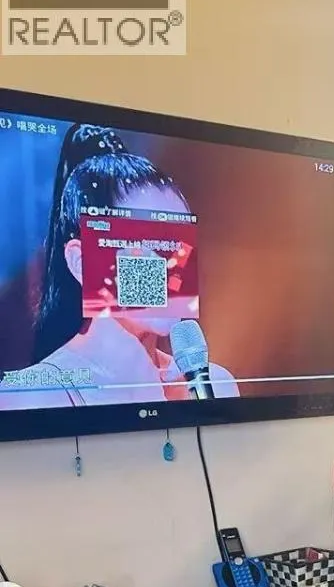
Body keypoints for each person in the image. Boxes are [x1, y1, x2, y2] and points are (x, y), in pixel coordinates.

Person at [0, 125, 237, 409]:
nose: (170, 265)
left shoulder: (213, 384)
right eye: (148, 244)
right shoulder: (31, 395)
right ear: (81, 262)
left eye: (179, 244)